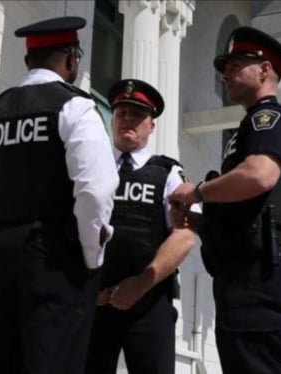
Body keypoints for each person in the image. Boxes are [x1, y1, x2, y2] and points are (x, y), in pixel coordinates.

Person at [0, 16, 119, 374]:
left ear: (27, 62)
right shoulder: (76, 108)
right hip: (52, 257)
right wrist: (91, 256)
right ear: (71, 59)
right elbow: (95, 191)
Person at [168, 26, 281, 374]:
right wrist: (202, 223)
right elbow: (246, 208)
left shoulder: (270, 119)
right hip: (242, 270)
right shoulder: (251, 126)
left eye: (236, 65)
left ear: (264, 70)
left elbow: (260, 175)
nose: (226, 74)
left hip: (257, 271)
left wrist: (198, 191)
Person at [85, 79, 196, 374]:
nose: (127, 120)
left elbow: (184, 236)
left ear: (151, 126)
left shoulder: (167, 171)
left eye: (137, 115)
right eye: (121, 113)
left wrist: (140, 284)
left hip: (149, 302)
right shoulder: (91, 167)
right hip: (94, 302)